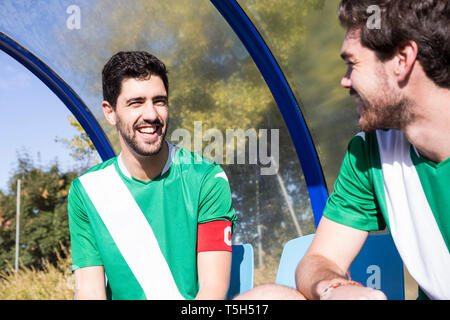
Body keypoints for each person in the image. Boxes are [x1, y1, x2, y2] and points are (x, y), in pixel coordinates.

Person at [236, 0, 450, 300]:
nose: (344, 81)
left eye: (353, 63)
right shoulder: (370, 153)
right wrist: (336, 289)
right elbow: (318, 261)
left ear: (402, 59)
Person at [68, 51, 237, 300]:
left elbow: (212, 291)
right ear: (110, 112)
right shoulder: (86, 191)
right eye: (136, 102)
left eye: (159, 101)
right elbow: (90, 291)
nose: (151, 115)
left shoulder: (206, 179)